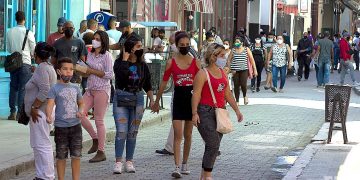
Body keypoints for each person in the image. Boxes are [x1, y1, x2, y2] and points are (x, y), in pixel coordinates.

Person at [152, 31, 201, 178]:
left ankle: (185, 163)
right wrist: (156, 101)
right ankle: (177, 167)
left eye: (187, 45)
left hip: (191, 100)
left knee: (188, 134)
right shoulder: (171, 62)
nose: (185, 47)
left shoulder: (195, 62)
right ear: (177, 46)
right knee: (178, 134)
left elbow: (201, 83)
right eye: (182, 45)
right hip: (178, 98)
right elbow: (164, 82)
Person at [191, 43, 243, 180]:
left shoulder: (222, 73)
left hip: (220, 112)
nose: (224, 58)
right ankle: (208, 175)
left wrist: (237, 110)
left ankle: (203, 175)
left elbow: (227, 94)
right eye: (221, 55)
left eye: (224, 55)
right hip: (204, 112)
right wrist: (194, 113)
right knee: (213, 144)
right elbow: (195, 94)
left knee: (213, 145)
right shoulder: (202, 74)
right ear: (213, 56)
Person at [112, 35, 154, 174]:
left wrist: (152, 100)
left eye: (141, 46)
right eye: (138, 46)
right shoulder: (119, 63)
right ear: (129, 48)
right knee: (121, 131)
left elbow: (148, 84)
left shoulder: (143, 65)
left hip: (138, 99)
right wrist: (124, 60)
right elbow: (120, 77)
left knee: (132, 132)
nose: (141, 48)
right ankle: (118, 161)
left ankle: (129, 161)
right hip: (121, 98)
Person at [46, 57, 85, 180]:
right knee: (61, 156)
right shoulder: (54, 89)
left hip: (76, 126)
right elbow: (50, 104)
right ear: (59, 71)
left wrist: (80, 111)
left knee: (76, 155)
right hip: (61, 127)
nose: (69, 72)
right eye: (65, 69)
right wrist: (48, 116)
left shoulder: (76, 88)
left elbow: (81, 103)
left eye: (71, 69)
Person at [80, 31, 114, 163]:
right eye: (94, 38)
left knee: (99, 120)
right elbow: (86, 71)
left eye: (97, 39)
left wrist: (92, 71)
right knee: (79, 113)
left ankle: (101, 150)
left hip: (102, 90)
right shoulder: (90, 54)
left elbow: (110, 75)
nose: (94, 41)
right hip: (90, 89)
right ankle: (94, 138)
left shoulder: (107, 56)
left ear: (103, 41)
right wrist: (79, 70)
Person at [25, 42, 57, 180]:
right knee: (38, 145)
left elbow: (45, 90)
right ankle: (41, 175)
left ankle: (47, 176)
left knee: (42, 145)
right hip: (42, 112)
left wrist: (34, 107)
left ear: (36, 54)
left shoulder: (42, 68)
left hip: (40, 112)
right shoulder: (46, 67)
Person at [6, 11, 36, 120]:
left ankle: (12, 112)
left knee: (13, 87)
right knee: (23, 88)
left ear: (15, 19)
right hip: (25, 62)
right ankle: (20, 113)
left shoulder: (10, 32)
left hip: (13, 63)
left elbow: (9, 49)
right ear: (24, 20)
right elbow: (33, 49)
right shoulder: (28, 32)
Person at [229, 36, 257, 105]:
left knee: (243, 84)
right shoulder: (233, 50)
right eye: (235, 42)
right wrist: (230, 69)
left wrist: (255, 69)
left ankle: (245, 96)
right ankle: (237, 101)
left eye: (238, 42)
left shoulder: (246, 49)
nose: (236, 43)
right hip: (235, 70)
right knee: (236, 85)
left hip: (244, 70)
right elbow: (228, 60)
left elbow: (252, 60)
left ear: (241, 43)